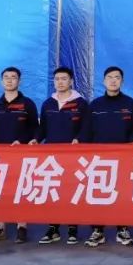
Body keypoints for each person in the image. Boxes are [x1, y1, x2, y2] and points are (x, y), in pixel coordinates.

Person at [87, 66, 133, 247]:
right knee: (98, 193)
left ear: (122, 82)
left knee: (122, 193)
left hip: (123, 158)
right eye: (109, 77)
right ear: (104, 81)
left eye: (117, 77)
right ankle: (97, 230)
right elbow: (87, 129)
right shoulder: (95, 105)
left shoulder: (130, 104)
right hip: (99, 158)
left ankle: (122, 229)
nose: (113, 80)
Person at [37, 67, 90, 246]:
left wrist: (79, 139)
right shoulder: (48, 104)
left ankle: (72, 228)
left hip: (74, 156)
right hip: (52, 158)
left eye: (64, 79)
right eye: (57, 79)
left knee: (71, 191)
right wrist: (35, 140)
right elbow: (42, 128)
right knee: (53, 191)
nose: (60, 82)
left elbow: (87, 127)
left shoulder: (81, 104)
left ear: (71, 81)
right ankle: (53, 228)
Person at [0, 66, 39, 243]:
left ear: (19, 81)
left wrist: (26, 141)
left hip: (21, 156)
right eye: (6, 77)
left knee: (20, 191)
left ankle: (21, 227)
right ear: (1, 81)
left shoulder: (28, 104)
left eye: (13, 77)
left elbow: (35, 129)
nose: (10, 80)